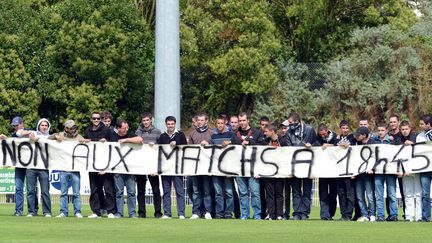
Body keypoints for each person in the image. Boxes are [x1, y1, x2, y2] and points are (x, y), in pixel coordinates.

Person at [82, 111, 117, 218]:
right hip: (92, 163)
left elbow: (115, 144)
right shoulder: (87, 130)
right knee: (94, 189)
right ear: (91, 119)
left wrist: (106, 141)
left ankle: (111, 211)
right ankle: (96, 211)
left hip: (106, 163)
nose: (96, 120)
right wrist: (84, 141)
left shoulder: (107, 130)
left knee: (108, 188)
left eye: (98, 118)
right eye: (94, 118)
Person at [49, 120, 84, 218]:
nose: (73, 129)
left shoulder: (79, 137)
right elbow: (48, 138)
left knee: (76, 193)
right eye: (70, 127)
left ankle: (77, 212)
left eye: (74, 127)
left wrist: (84, 141)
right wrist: (56, 136)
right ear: (66, 128)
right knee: (63, 193)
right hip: (63, 168)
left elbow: (87, 145)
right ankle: (63, 212)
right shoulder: (60, 134)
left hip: (75, 169)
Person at [232, 112, 264, 220]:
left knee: (255, 192)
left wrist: (251, 142)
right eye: (240, 121)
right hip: (240, 168)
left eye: (243, 120)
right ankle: (244, 214)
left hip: (253, 168)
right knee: (243, 193)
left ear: (248, 120)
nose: (242, 123)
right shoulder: (235, 134)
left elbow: (263, 147)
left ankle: (257, 215)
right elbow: (231, 151)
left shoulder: (256, 132)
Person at [285, 112, 316, 220]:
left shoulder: (310, 130)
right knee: (296, 191)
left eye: (290, 122)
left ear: (297, 121)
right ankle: (297, 213)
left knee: (307, 191)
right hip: (295, 166)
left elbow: (316, 146)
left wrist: (311, 146)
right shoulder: (288, 132)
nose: (289, 125)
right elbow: (289, 148)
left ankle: (305, 213)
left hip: (308, 165)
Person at [112, 119, 143, 218]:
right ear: (118, 128)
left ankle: (132, 213)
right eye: (124, 128)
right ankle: (119, 213)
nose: (126, 129)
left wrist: (126, 140)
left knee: (131, 192)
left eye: (127, 127)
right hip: (117, 169)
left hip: (130, 169)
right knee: (119, 193)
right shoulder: (113, 136)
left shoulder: (130, 135)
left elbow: (140, 140)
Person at [135, 112, 163, 218]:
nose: (145, 122)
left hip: (153, 165)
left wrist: (155, 145)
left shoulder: (157, 132)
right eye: (144, 120)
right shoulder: (138, 132)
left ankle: (158, 212)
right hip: (141, 164)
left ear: (151, 120)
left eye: (147, 120)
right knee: (140, 190)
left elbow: (161, 148)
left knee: (156, 190)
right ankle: (141, 212)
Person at [158, 116, 187, 219]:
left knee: (180, 191)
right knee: (166, 192)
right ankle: (167, 213)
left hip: (177, 168)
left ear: (175, 124)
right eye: (168, 124)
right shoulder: (162, 136)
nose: (170, 126)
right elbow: (158, 151)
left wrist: (177, 144)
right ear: (166, 124)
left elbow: (186, 149)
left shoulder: (181, 135)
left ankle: (181, 213)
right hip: (165, 168)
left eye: (172, 124)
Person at [189, 112, 213, 220]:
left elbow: (216, 149)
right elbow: (188, 150)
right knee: (196, 190)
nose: (200, 122)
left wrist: (209, 144)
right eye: (198, 120)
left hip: (207, 167)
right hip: (195, 167)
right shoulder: (192, 134)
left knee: (207, 190)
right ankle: (196, 212)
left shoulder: (212, 133)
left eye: (202, 120)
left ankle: (207, 211)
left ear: (206, 121)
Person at [211, 115, 236, 219]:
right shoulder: (213, 137)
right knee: (218, 193)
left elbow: (237, 145)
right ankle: (219, 213)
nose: (220, 125)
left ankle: (228, 213)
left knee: (229, 192)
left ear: (225, 124)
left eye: (222, 123)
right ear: (216, 124)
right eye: (218, 123)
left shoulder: (231, 135)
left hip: (228, 168)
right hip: (216, 168)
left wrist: (229, 142)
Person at [26, 118, 52, 217]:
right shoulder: (32, 134)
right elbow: (19, 133)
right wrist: (30, 137)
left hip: (44, 167)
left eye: (46, 125)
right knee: (31, 191)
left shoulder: (50, 137)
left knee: (45, 191)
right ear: (38, 126)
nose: (44, 127)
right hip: (31, 167)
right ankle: (32, 211)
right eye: (42, 125)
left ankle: (47, 211)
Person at [373, 122, 398, 222]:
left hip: (390, 171)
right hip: (378, 172)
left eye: (382, 130)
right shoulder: (374, 142)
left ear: (386, 131)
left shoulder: (392, 142)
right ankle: (380, 215)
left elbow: (397, 156)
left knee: (392, 194)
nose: (380, 132)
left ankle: (393, 215)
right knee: (379, 195)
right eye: (379, 130)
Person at [263, 123, 288, 220]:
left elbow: (287, 153)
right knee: (269, 194)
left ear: (272, 131)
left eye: (266, 131)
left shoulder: (282, 140)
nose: (264, 133)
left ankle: (279, 214)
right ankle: (270, 214)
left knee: (279, 193)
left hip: (279, 171)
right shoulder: (265, 141)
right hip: (268, 171)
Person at [398, 120, 421, 222]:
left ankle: (419, 216)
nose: (404, 131)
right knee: (407, 194)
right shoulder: (398, 139)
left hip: (416, 170)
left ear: (410, 129)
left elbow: (422, 149)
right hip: (404, 171)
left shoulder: (416, 137)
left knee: (418, 193)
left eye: (406, 129)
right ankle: (409, 216)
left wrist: (413, 144)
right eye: (402, 129)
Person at [352, 126, 376, 222]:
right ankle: (365, 215)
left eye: (359, 135)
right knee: (360, 196)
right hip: (358, 175)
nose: (357, 137)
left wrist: (372, 168)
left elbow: (375, 157)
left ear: (364, 135)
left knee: (370, 196)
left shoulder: (373, 143)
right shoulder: (356, 144)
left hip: (369, 175)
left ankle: (372, 214)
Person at [334, 120, 356, 221]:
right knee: (341, 193)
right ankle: (343, 214)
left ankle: (348, 214)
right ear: (340, 129)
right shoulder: (336, 139)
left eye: (347, 128)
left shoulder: (353, 138)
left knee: (349, 193)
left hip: (350, 170)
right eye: (343, 128)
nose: (345, 130)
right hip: (339, 171)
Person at [316, 123, 338, 220]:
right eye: (321, 134)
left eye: (324, 134)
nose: (322, 136)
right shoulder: (317, 138)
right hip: (323, 170)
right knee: (323, 194)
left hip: (334, 171)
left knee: (333, 194)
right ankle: (324, 215)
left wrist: (329, 145)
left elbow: (339, 147)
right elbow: (315, 146)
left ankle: (331, 214)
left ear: (327, 130)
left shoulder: (335, 136)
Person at [418, 114, 432, 221]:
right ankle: (426, 217)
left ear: (428, 124)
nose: (420, 125)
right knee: (425, 194)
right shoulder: (420, 136)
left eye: (422, 124)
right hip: (425, 168)